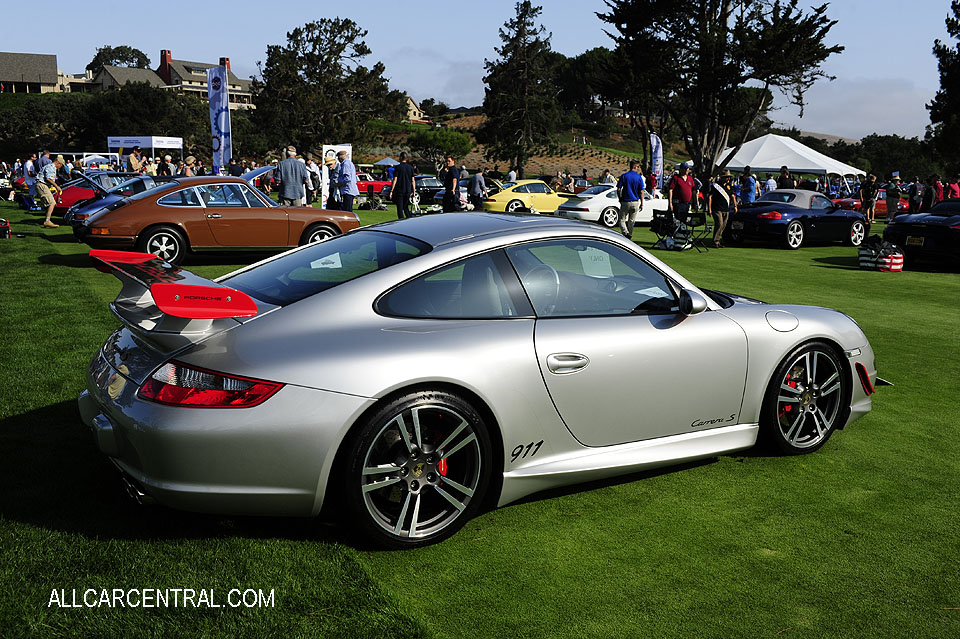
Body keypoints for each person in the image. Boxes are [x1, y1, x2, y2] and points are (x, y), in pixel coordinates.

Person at [616, 160, 645, 239]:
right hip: (635, 201)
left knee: (621, 220)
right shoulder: (639, 177)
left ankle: (625, 233)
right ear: (635, 167)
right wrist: (642, 203)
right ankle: (630, 235)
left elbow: (618, 189)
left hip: (626, 201)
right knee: (631, 221)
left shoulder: (624, 176)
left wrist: (620, 198)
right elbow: (641, 191)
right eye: (638, 167)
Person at [708, 171, 737, 248]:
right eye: (727, 177)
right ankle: (715, 241)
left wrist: (735, 206)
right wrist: (709, 208)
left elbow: (732, 196)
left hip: (726, 209)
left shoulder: (729, 186)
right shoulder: (715, 185)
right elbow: (710, 196)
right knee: (719, 224)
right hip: (717, 208)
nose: (728, 179)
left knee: (723, 226)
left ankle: (718, 240)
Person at [36, 156, 63, 228]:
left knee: (47, 204)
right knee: (52, 203)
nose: (60, 167)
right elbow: (48, 178)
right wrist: (57, 186)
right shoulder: (51, 167)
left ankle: (46, 221)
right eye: (61, 165)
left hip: (42, 185)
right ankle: (47, 221)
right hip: (42, 185)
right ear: (57, 162)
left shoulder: (50, 166)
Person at [390, 152, 416, 219]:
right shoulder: (410, 168)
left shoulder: (398, 167)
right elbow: (413, 180)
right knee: (405, 206)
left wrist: (392, 190)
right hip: (408, 190)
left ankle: (401, 220)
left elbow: (395, 179)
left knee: (400, 208)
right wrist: (414, 192)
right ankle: (409, 218)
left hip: (400, 190)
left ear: (401, 157)